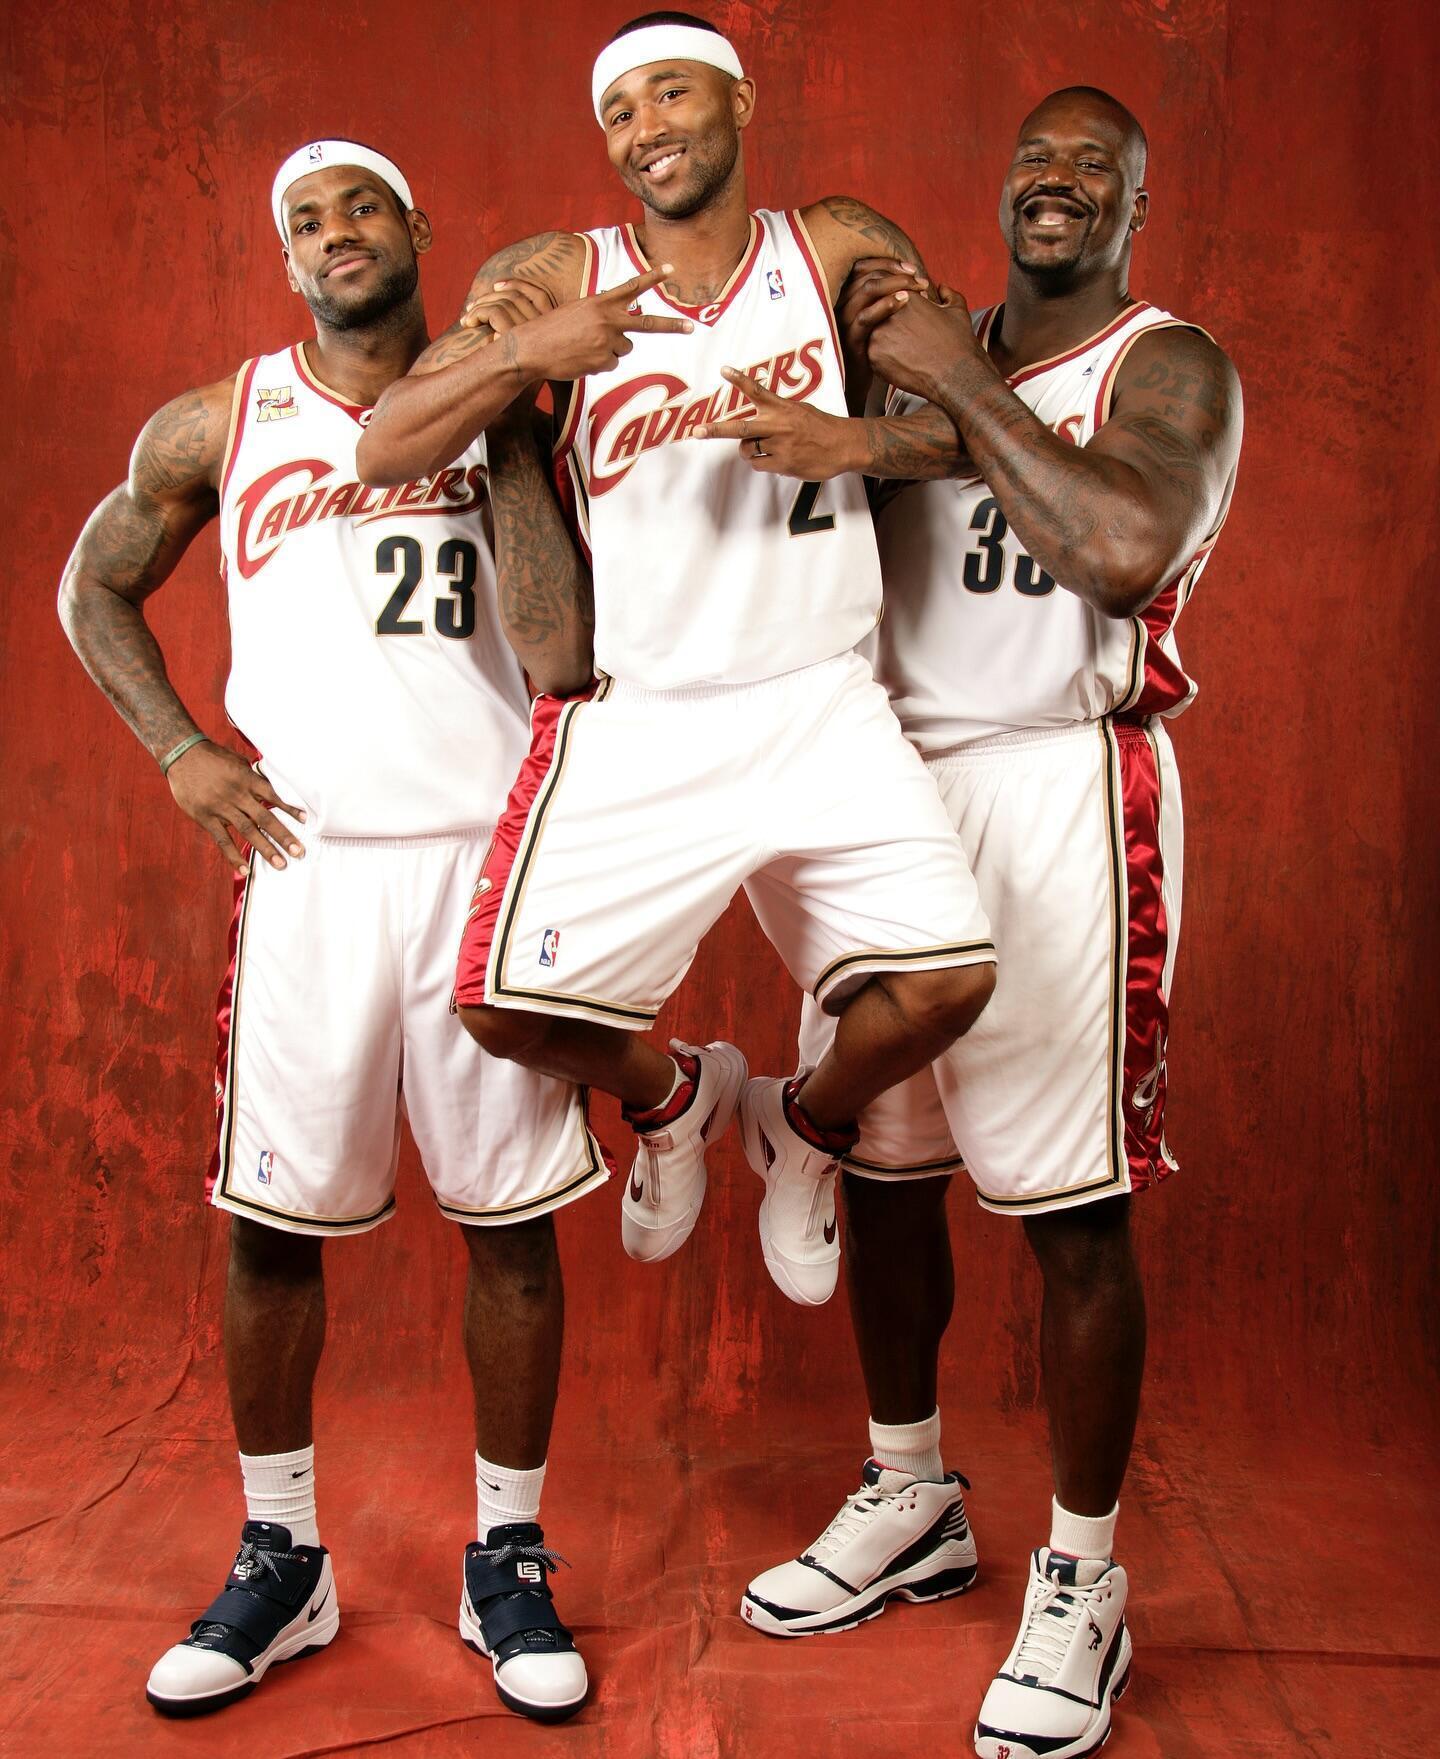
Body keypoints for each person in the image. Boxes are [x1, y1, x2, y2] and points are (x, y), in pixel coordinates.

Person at [56, 138, 661, 1725]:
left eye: (364, 207)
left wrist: (507, 399)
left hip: (480, 857)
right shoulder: (221, 420)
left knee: (507, 1227)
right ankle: (284, 1554)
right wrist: (179, 749)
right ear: (287, 259)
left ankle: (507, 1556)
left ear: (417, 228)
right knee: (273, 1225)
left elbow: (565, 651)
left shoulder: (511, 401)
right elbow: (92, 586)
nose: (337, 233)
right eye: (308, 220)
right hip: (309, 865)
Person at [710, 86, 1243, 1759]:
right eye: (1035, 160)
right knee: (888, 1172)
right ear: (1000, 188)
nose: (1056, 182)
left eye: (1096, 168)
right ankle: (912, 1491)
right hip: (884, 780)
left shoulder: (1167, 366)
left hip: (1059, 781)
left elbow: (1121, 545)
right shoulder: (909, 351)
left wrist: (954, 379)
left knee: (1071, 1209)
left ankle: (1082, 1576)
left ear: (1136, 209)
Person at [356, 12, 997, 1312]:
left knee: (949, 986)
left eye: (671, 95)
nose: (645, 129)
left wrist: (854, 443)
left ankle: (802, 1125)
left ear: (739, 101)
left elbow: (980, 425)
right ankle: (681, 1096)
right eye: (620, 111)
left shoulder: (834, 246)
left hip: (821, 698)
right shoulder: (557, 273)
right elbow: (384, 447)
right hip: (645, 712)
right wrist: (529, 353)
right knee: (503, 1011)